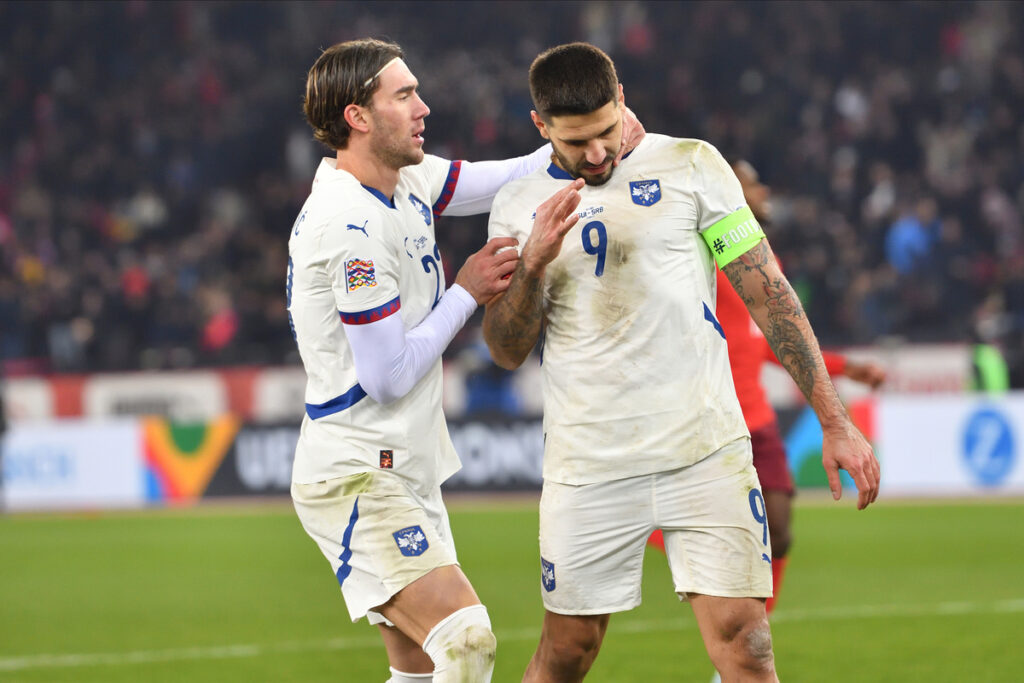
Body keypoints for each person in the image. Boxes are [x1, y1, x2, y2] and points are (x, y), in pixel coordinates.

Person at [482, 43, 880, 682]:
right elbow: (505, 348)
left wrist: (833, 419)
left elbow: (767, 292)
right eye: (576, 141)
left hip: (705, 452)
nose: (596, 154)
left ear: (622, 100)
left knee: (746, 645)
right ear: (540, 127)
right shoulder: (516, 204)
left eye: (608, 132)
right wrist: (530, 265)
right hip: (589, 465)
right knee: (567, 652)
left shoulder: (692, 165)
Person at [287, 39, 642, 683]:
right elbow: (388, 377)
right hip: (358, 470)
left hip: (403, 465)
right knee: (465, 641)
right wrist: (466, 293)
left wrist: (596, 137)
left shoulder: (406, 178)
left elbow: (510, 175)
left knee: (422, 669)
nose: (424, 107)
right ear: (358, 117)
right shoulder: (347, 227)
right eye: (404, 95)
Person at [648, 159, 888, 618]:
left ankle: (741, 657)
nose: (764, 190)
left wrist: (845, 368)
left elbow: (767, 344)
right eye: (753, 183)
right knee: (712, 533)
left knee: (778, 533)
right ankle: (644, 526)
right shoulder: (698, 254)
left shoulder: (759, 253)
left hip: (756, 417)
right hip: (708, 417)